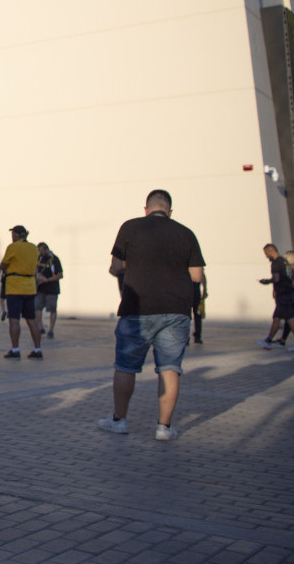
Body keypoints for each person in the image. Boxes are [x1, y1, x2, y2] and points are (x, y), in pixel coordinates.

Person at [99, 189, 204, 441]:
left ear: (146, 209)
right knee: (169, 368)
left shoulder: (131, 228)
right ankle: (164, 428)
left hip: (137, 308)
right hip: (176, 310)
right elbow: (197, 276)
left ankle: (119, 420)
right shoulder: (186, 233)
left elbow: (116, 266)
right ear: (170, 211)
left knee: (126, 367)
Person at [0, 225, 42, 358]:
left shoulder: (13, 247)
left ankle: (15, 349)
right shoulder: (34, 248)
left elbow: (3, 265)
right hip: (30, 287)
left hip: (15, 287)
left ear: (16, 235)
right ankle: (37, 349)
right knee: (31, 320)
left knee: (14, 319)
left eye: (13, 234)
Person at [256, 245, 294, 352]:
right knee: (276, 317)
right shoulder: (286, 263)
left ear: (270, 251)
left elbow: (276, 278)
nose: (266, 257)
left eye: (266, 254)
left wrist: (266, 281)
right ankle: (268, 340)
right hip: (289, 293)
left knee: (291, 319)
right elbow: (290, 277)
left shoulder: (276, 263)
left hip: (283, 294)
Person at [34, 242, 63, 339]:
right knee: (37, 307)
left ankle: (51, 330)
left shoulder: (54, 259)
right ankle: (40, 326)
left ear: (46, 249)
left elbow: (60, 274)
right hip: (40, 289)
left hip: (52, 289)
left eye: (40, 250)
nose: (39, 252)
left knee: (52, 309)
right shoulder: (38, 259)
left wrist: (47, 280)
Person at [191, 272, 208, 344]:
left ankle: (187, 338)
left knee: (186, 315)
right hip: (195, 290)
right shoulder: (195, 262)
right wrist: (204, 289)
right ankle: (197, 336)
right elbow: (202, 275)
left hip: (187, 290)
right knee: (197, 314)